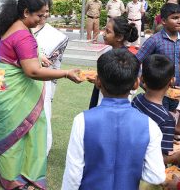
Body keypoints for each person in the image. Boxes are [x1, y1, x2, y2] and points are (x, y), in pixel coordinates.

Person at [0, 0, 81, 190]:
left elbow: (20, 57)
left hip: (4, 89)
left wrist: (38, 55)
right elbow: (32, 71)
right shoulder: (23, 36)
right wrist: (65, 73)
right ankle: (12, 179)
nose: (42, 20)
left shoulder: (13, 25)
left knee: (11, 133)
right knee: (15, 135)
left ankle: (7, 170)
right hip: (14, 94)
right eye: (40, 15)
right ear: (26, 12)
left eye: (46, 15)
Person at [62, 49, 166, 190]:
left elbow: (72, 176)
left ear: (98, 82)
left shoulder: (82, 121)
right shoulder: (150, 126)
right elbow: (156, 176)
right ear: (136, 84)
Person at [32, 0, 69, 155]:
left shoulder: (57, 37)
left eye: (47, 10)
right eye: (41, 11)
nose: (44, 14)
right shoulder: (20, 30)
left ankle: (41, 153)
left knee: (42, 117)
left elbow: (49, 63)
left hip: (43, 83)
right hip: (19, 81)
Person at [136, 3, 180, 112]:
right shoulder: (155, 40)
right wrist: (145, 84)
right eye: (174, 18)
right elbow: (136, 61)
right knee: (159, 121)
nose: (179, 21)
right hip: (159, 94)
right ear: (164, 21)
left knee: (176, 123)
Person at [132, 54, 180, 165]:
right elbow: (158, 159)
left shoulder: (137, 99)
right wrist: (174, 158)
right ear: (172, 81)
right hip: (149, 176)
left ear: (142, 79)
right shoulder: (167, 120)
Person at [89, 17, 138, 108]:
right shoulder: (106, 52)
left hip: (116, 105)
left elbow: (130, 87)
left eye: (108, 32)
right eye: (104, 30)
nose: (103, 34)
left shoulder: (127, 59)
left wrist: (102, 81)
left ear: (119, 37)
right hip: (100, 101)